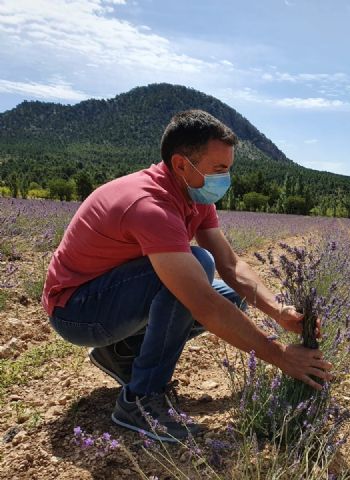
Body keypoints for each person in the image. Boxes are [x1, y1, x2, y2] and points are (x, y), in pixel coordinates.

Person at [43, 109, 332, 442]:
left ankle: (121, 352)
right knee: (197, 267)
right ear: (181, 164)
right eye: (219, 169)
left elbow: (231, 264)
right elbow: (201, 303)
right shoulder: (149, 205)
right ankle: (139, 401)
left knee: (230, 294)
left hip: (111, 297)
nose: (225, 179)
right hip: (77, 311)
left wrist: (277, 310)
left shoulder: (192, 193)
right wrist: (280, 356)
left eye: (228, 168)